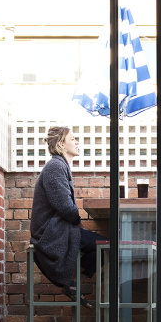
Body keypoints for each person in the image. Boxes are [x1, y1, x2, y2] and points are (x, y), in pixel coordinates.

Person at [30, 126, 105, 307]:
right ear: (61, 144)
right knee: (107, 247)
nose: (77, 142)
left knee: (104, 248)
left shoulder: (60, 165)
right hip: (51, 233)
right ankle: (73, 282)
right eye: (73, 139)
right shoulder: (55, 166)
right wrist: (78, 222)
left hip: (59, 229)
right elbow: (65, 206)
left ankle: (73, 283)